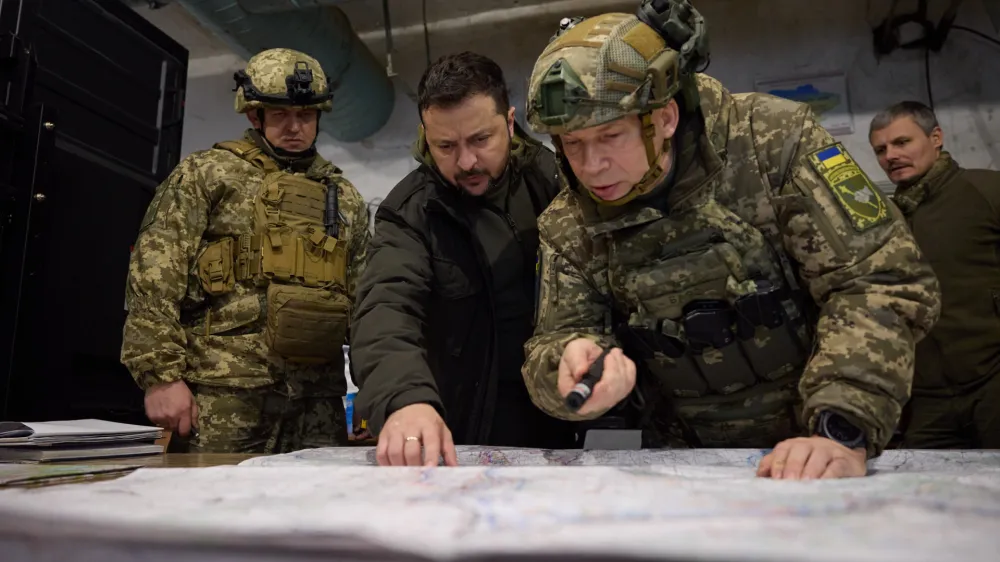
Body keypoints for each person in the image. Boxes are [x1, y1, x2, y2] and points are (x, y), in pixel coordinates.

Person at [521, 0, 941, 479]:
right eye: (571, 144)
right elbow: (550, 344)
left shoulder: (772, 142)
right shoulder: (568, 221)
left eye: (610, 136)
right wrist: (567, 364)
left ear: (665, 117)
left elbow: (878, 280)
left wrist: (841, 427)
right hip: (690, 468)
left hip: (826, 442)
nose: (591, 166)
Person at [121, 48, 371, 453]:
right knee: (210, 510)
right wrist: (161, 376)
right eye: (280, 115)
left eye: (306, 115)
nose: (295, 127)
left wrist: (375, 389)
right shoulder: (208, 173)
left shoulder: (343, 197)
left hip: (318, 400)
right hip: (224, 390)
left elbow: (366, 302)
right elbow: (154, 273)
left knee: (313, 512)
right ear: (254, 116)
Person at [351, 52, 576, 467]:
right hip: (470, 426)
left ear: (510, 122)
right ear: (426, 136)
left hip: (573, 414)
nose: (467, 162)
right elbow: (385, 309)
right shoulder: (412, 212)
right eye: (446, 146)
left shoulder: (558, 181)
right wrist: (405, 399)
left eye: (480, 140)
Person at [869, 101, 1000, 449]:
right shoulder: (885, 216)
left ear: (936, 137)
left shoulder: (985, 191)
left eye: (902, 142)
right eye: (881, 150)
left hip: (992, 383)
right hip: (926, 399)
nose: (891, 156)